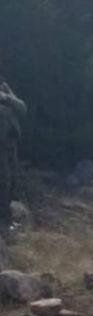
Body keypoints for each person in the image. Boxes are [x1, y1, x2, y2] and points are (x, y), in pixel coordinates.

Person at [0, 80, 26, 226]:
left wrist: (7, 97)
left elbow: (23, 108)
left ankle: (7, 215)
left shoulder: (6, 92)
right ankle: (2, 217)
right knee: (4, 180)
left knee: (12, 179)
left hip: (11, 143)